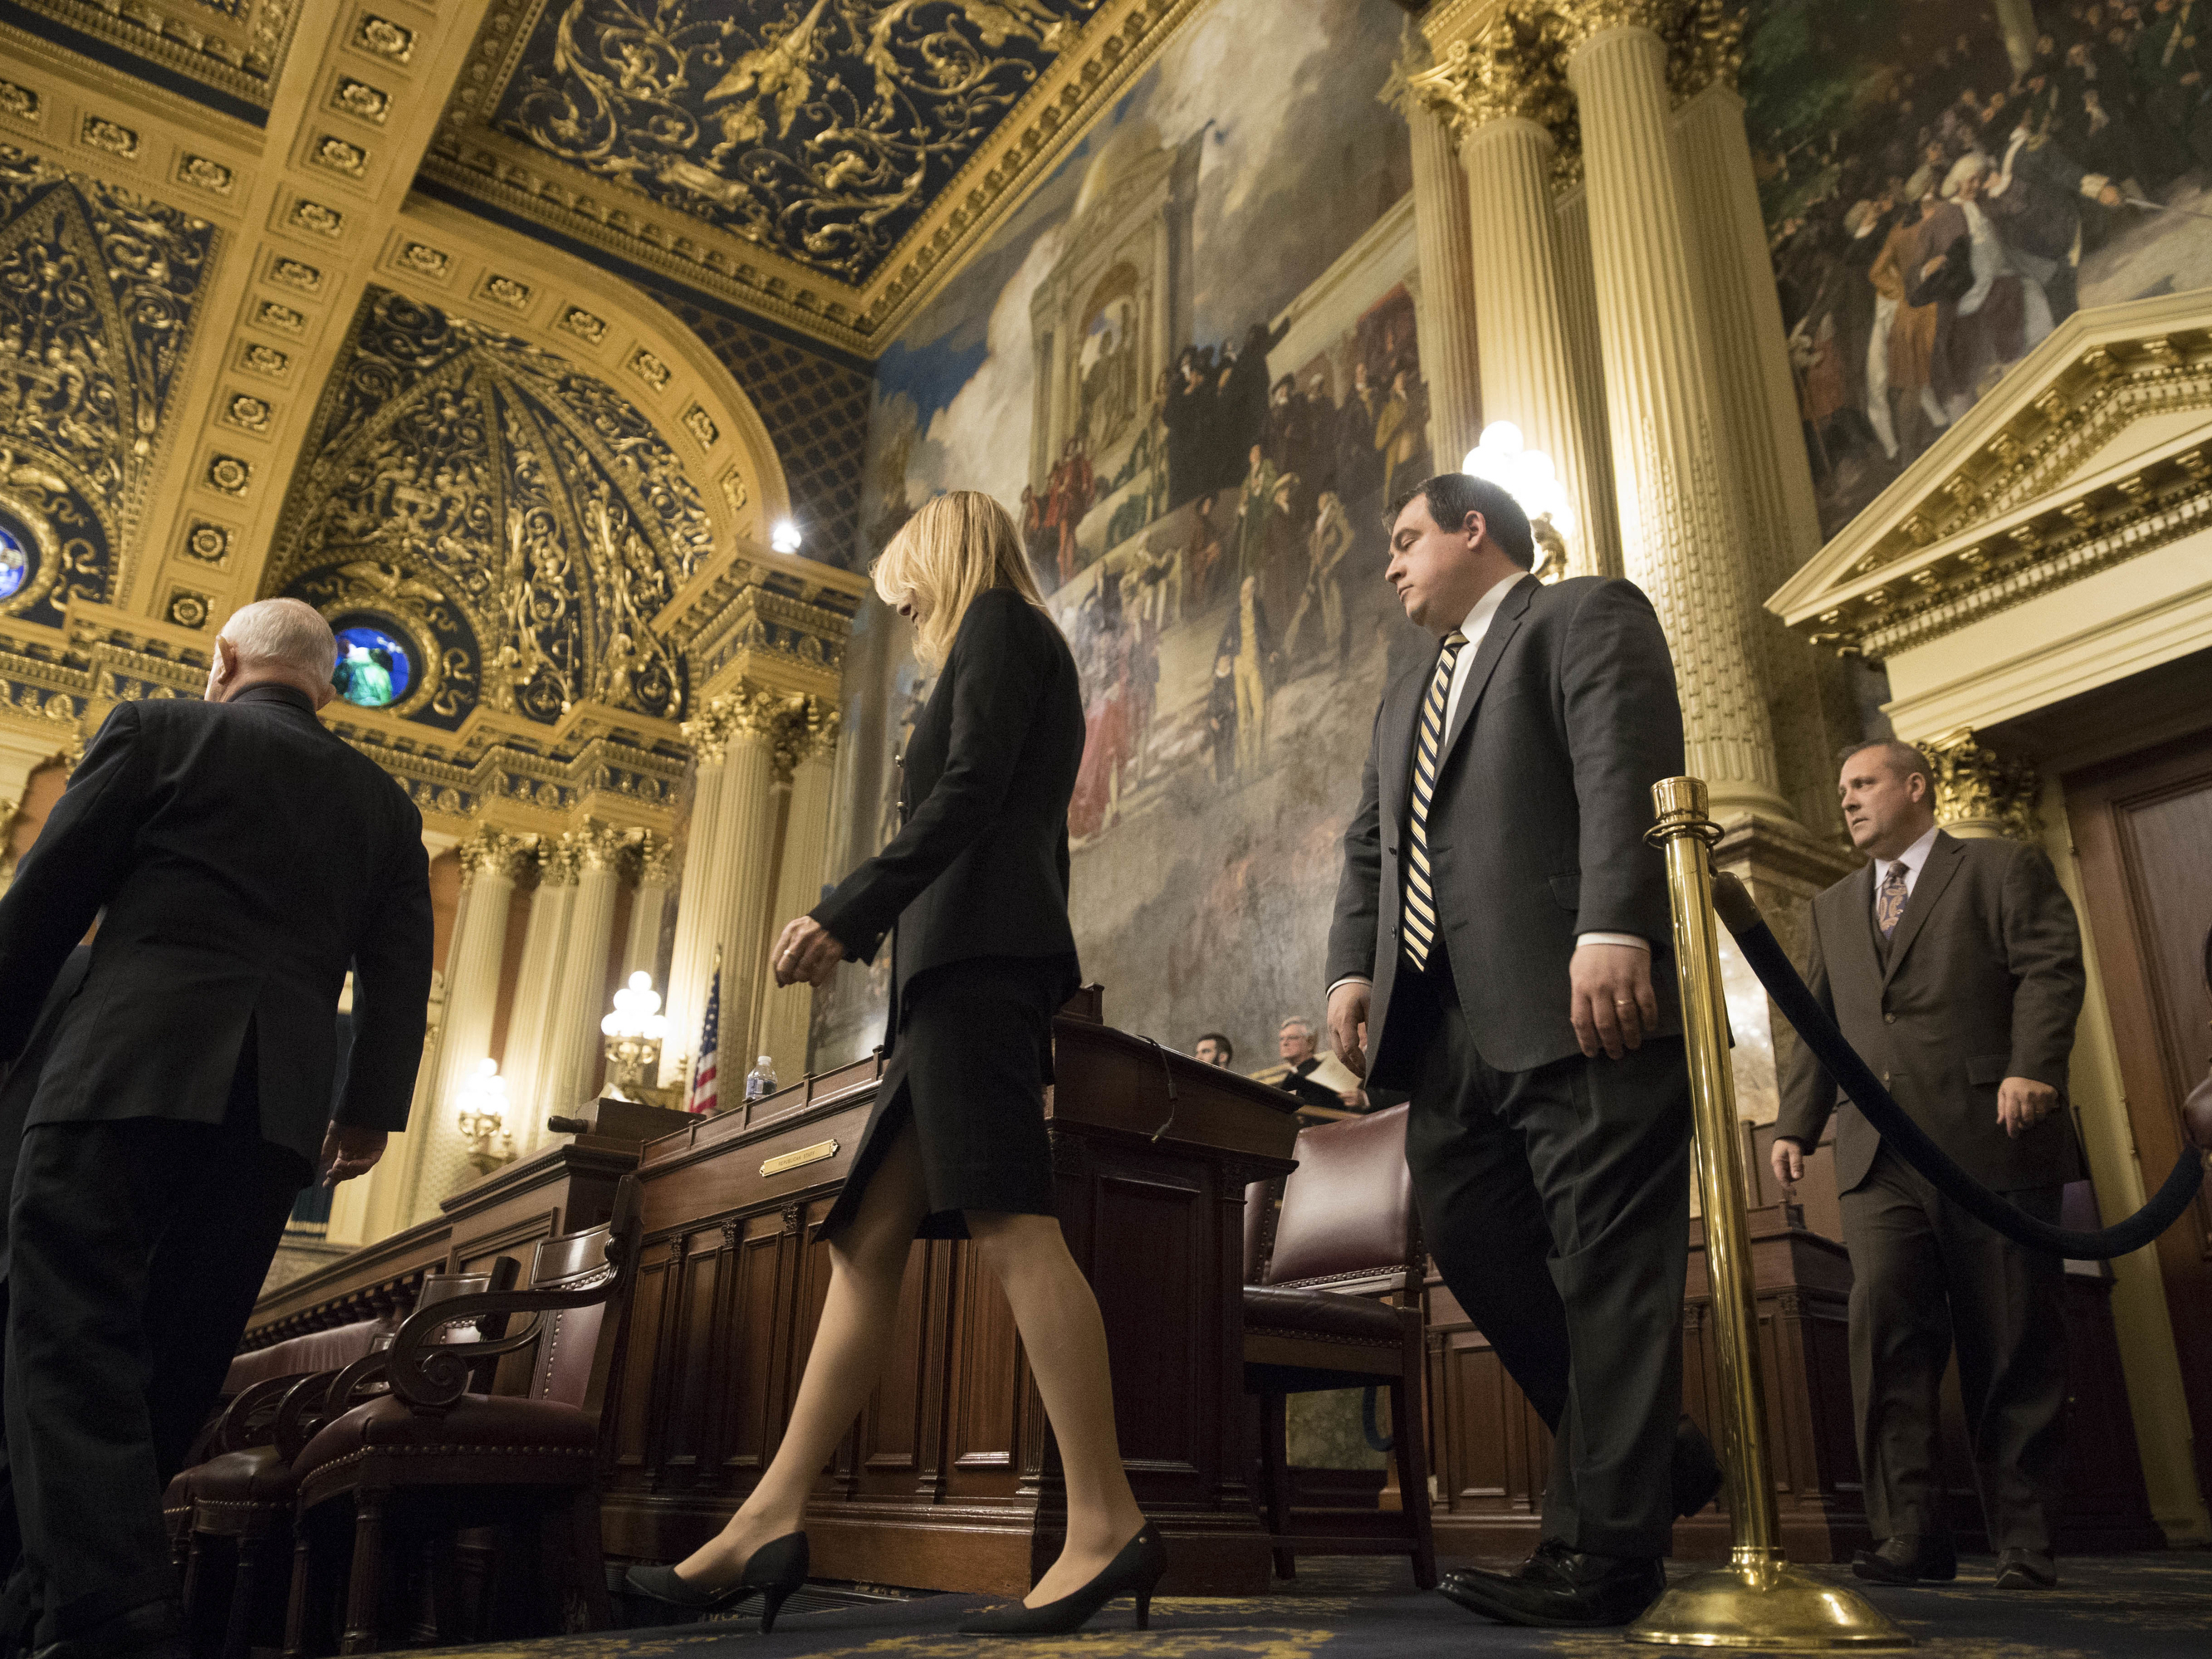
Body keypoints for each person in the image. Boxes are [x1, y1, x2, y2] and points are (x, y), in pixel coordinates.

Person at [625, 492, 1159, 1639]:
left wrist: (849, 908)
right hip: (950, 981)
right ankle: (767, 1517)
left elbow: (968, 792)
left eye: (904, 580)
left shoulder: (1000, 629)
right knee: (865, 1248)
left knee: (1017, 1225)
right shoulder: (997, 641)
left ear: (938, 551)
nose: (903, 601)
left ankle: (1108, 1519)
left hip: (978, 970)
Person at [0, 598, 432, 1659]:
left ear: (223, 659)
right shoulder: (381, 801)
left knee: (67, 1331)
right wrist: (369, 1110)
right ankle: (48, 1604)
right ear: (327, 686)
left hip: (120, 1074)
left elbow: (49, 898)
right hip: (272, 1115)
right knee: (180, 1355)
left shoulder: (159, 728)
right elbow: (399, 971)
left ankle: (112, 1610)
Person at [1324, 473, 1720, 1628]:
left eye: (1404, 540)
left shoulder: (1585, 614)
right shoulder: (1406, 692)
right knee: (1473, 1236)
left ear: (1473, 528)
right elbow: (1369, 848)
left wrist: (1616, 924)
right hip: (1446, 1026)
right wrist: (1354, 969)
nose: (1390, 566)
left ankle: (1603, 1552)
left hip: (1582, 996)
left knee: (1609, 1264)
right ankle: (1660, 1456)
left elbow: (1622, 772)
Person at [1772, 741, 2087, 1593]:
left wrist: (2035, 1066)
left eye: (1864, 784)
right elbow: (1815, 1023)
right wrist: (1796, 1123)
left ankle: (2024, 1542)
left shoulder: (1997, 868)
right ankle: (1909, 1536)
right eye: (1840, 790)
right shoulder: (1833, 906)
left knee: (2012, 1341)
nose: (1848, 801)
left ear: (1917, 787)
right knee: (1888, 1343)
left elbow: (2050, 971)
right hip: (1878, 1157)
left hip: (1994, 1139)